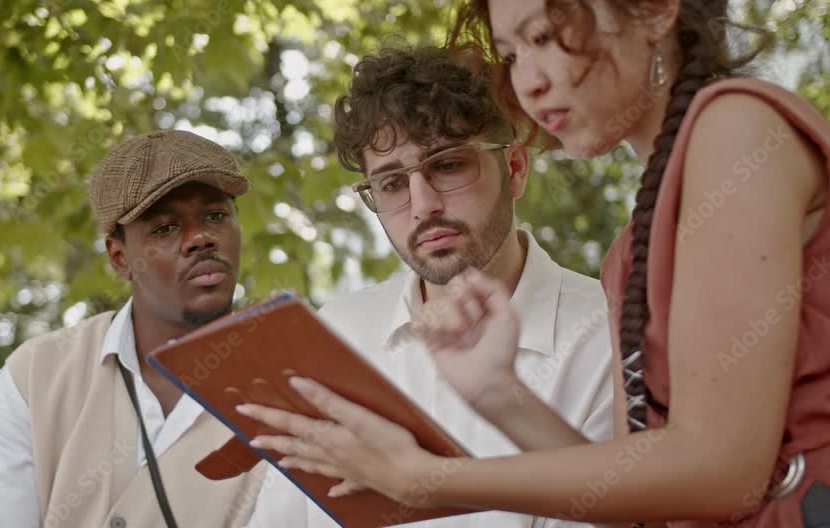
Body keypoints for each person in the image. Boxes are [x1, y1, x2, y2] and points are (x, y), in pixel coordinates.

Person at [236, 1, 830, 527]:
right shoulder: (629, 248)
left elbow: (724, 471)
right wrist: (500, 393)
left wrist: (425, 481)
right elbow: (631, 503)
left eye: (544, 37)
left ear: (652, 10)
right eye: (513, 54)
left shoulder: (734, 128)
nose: (528, 84)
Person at [245, 45, 615, 528]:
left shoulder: (606, 333)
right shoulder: (335, 331)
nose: (423, 205)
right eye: (393, 183)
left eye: (447, 165)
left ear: (516, 169)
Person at [0, 130, 267, 527]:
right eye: (165, 227)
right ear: (119, 258)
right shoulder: (36, 376)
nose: (200, 238)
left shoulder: (296, 379)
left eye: (216, 216)